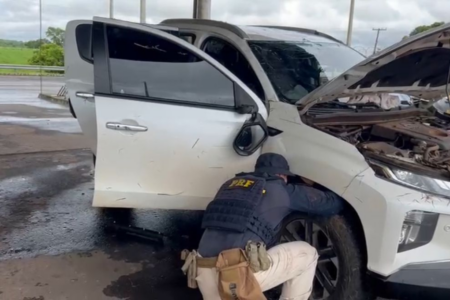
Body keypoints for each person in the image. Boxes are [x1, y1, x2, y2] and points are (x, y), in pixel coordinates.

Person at [182, 153, 344, 300]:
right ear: (282, 176)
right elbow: (331, 204)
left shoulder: (229, 185)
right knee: (307, 254)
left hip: (202, 274)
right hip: (235, 277)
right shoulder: (281, 190)